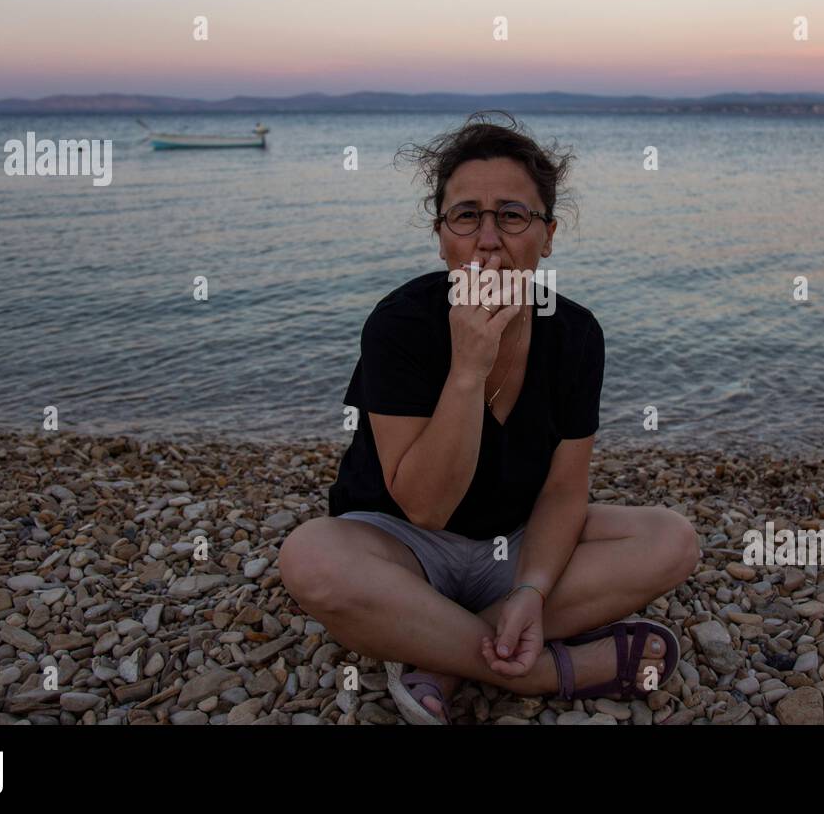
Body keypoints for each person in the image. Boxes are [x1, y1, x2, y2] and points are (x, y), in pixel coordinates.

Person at [278, 111, 699, 724]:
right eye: (466, 215)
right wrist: (468, 368)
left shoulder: (576, 333)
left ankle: (437, 651)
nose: (488, 238)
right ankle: (555, 670)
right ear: (441, 232)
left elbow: (564, 490)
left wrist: (530, 588)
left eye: (512, 215)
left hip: (516, 546)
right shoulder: (399, 325)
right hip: (402, 546)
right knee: (311, 558)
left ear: (548, 235)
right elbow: (425, 507)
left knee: (671, 540)